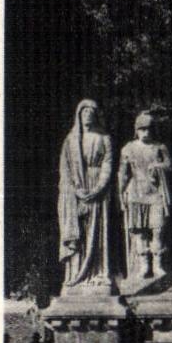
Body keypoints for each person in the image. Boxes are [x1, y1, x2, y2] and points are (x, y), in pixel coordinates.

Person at [57, 99, 114, 293]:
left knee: (97, 232)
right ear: (79, 115)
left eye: (91, 112)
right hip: (75, 193)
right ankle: (74, 275)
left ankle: (98, 274)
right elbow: (64, 170)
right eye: (84, 112)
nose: (88, 115)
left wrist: (98, 187)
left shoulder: (104, 137)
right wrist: (75, 190)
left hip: (97, 189)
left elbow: (108, 163)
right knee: (78, 234)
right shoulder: (70, 140)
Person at [118, 111, 172, 282]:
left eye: (149, 129)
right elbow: (123, 173)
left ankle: (158, 264)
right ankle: (144, 265)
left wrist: (158, 166)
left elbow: (169, 165)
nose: (146, 132)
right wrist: (121, 193)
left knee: (158, 229)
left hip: (155, 193)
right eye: (142, 129)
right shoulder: (128, 148)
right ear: (136, 130)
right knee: (139, 232)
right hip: (136, 192)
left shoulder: (159, 147)